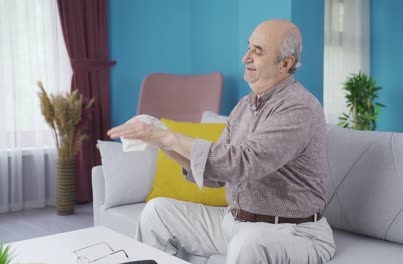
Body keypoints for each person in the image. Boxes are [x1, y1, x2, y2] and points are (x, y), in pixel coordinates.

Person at [108, 19, 336, 264]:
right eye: (248, 47)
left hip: (292, 232)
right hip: (235, 223)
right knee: (157, 212)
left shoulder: (298, 107)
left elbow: (244, 163)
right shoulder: (243, 107)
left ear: (285, 64)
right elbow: (216, 174)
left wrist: (166, 135)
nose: (245, 57)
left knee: (246, 244)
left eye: (257, 51)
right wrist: (162, 141)